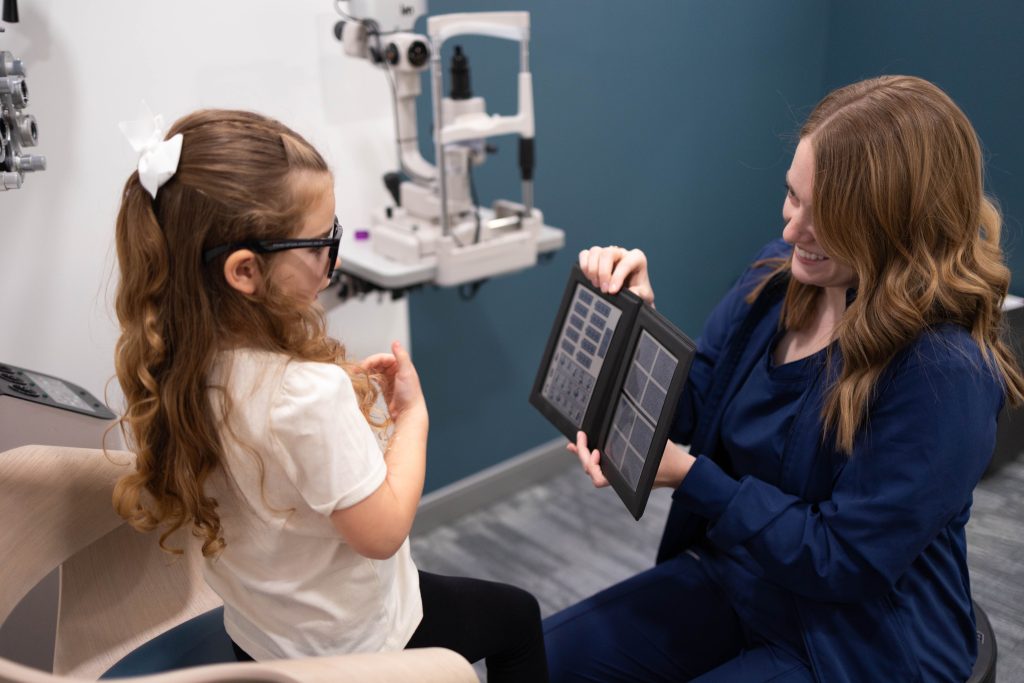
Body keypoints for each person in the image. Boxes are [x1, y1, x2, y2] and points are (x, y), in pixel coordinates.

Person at [543, 75, 1023, 682]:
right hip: (744, 575)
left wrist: (691, 478)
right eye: (793, 197)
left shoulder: (943, 374)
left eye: (828, 219)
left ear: (898, 230)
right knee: (544, 662)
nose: (793, 230)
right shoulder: (780, 278)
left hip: (860, 638)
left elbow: (842, 559)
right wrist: (637, 318)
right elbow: (695, 407)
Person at [111, 108, 548, 682]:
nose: (331, 261)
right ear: (244, 272)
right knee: (518, 618)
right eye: (322, 244)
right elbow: (383, 534)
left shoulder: (175, 366)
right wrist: (412, 418)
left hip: (264, 639)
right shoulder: (305, 395)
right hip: (357, 645)